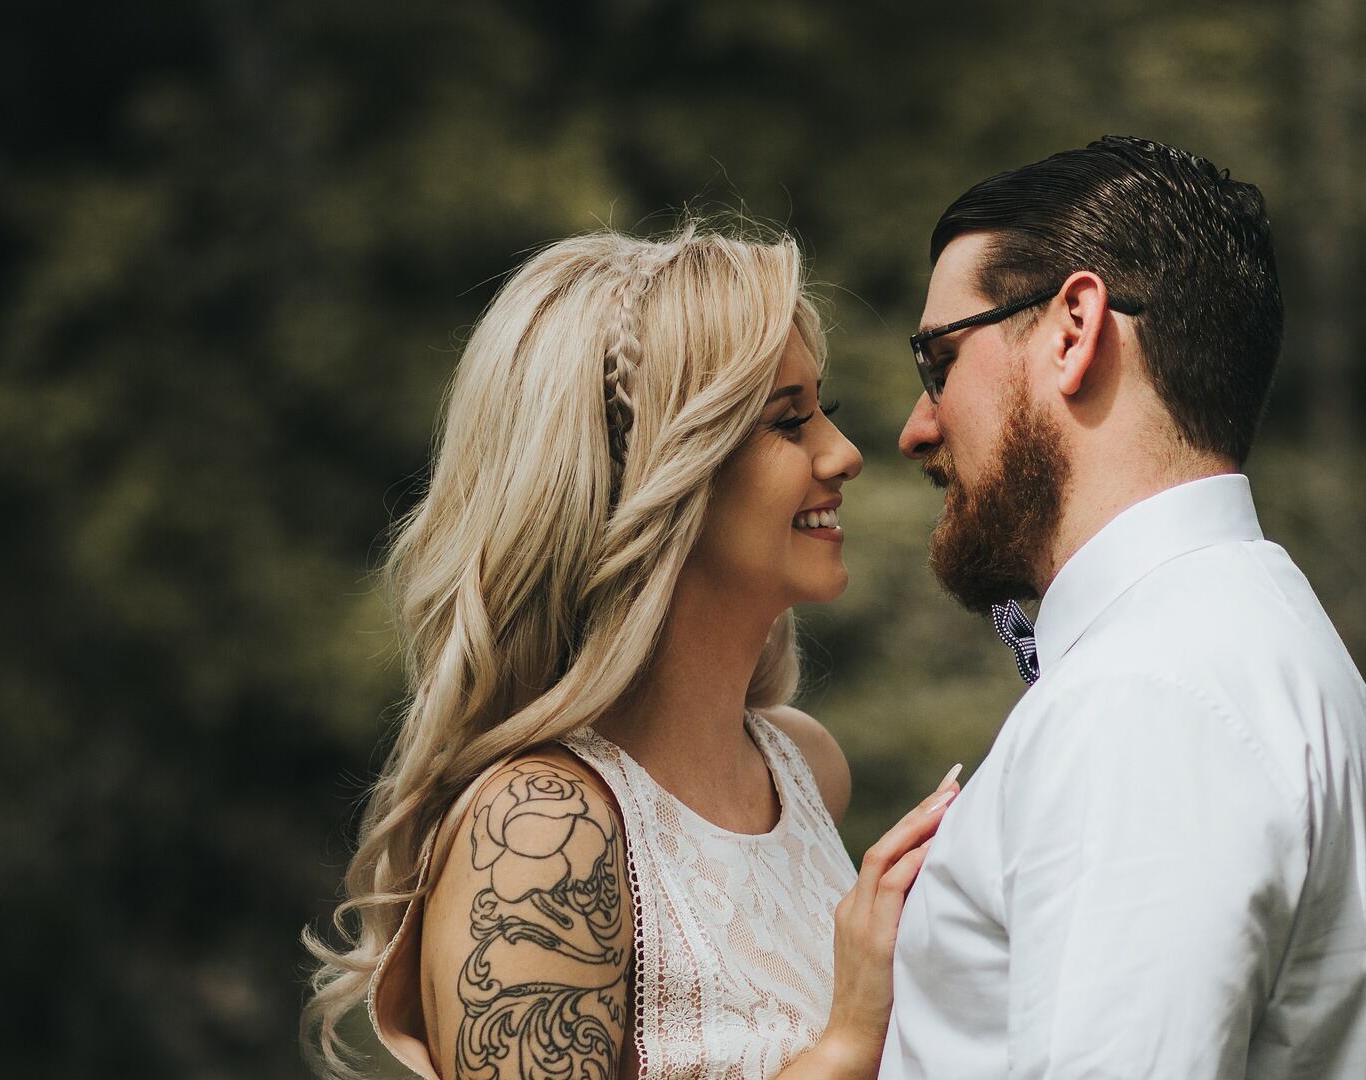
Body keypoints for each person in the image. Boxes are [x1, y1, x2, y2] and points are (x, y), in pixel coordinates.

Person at [302, 223, 958, 1080]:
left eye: (822, 412)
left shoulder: (803, 767)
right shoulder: (541, 829)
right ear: (657, 474)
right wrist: (848, 1040)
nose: (843, 454)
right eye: (788, 421)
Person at [882, 136, 1366, 1078]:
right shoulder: (1259, 646)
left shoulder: (1143, 699)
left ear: (1073, 329)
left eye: (939, 361)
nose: (916, 428)